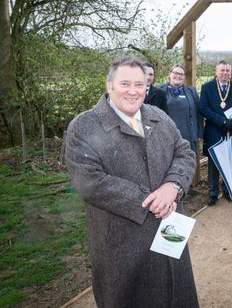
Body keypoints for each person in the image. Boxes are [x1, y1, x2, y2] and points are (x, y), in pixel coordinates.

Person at [65, 57, 199, 308]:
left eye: (139, 84)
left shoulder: (158, 116)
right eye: (124, 83)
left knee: (177, 294)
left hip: (170, 230)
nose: (133, 90)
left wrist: (173, 186)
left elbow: (185, 153)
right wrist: (147, 200)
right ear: (109, 85)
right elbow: (89, 180)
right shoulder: (83, 126)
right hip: (121, 243)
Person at [199, 60, 232, 206]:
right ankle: (213, 192)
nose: (225, 73)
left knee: (230, 161)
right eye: (222, 70)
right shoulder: (207, 87)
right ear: (216, 71)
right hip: (214, 130)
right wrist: (221, 121)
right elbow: (204, 108)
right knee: (214, 163)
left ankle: (228, 190)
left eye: (227, 71)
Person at [159, 64, 204, 153]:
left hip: (188, 135)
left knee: (188, 162)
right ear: (169, 74)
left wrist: (200, 133)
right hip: (167, 135)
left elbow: (199, 113)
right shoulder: (160, 90)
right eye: (175, 73)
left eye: (181, 74)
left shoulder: (191, 91)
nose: (178, 76)